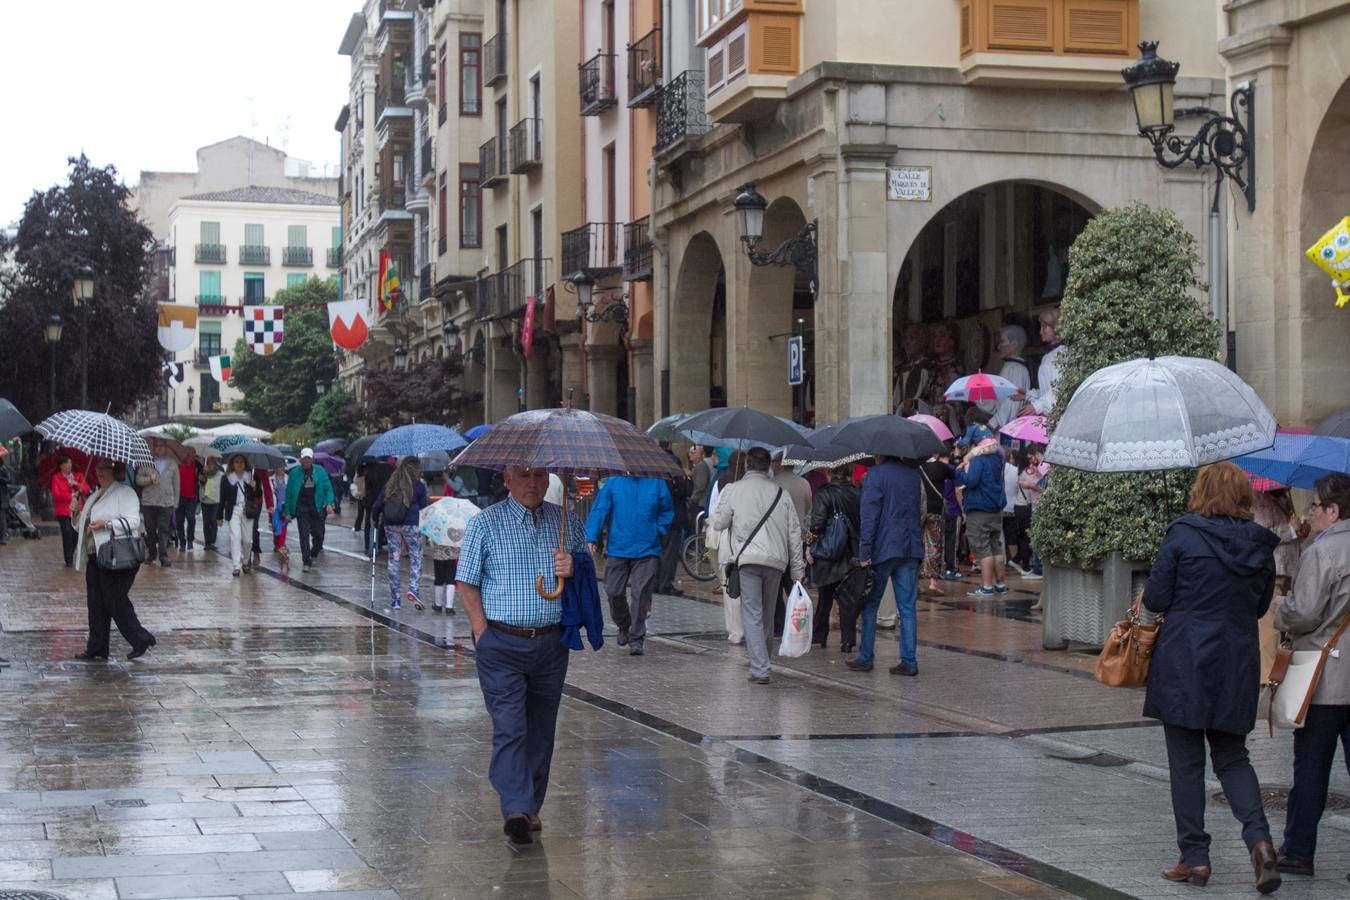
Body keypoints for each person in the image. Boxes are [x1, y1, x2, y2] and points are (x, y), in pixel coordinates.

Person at [1142, 461, 1280, 893]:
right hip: (1236, 662)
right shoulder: (1261, 547)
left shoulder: (1183, 534)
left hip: (1184, 659)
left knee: (1186, 765)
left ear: (1200, 493)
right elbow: (1259, 607)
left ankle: (1196, 858)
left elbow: (1157, 597)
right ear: (1242, 497)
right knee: (1233, 757)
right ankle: (1259, 840)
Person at [455, 465, 583, 845]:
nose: (532, 484)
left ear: (549, 480)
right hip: (502, 644)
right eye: (523, 476)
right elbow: (466, 580)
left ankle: (530, 806)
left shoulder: (566, 523)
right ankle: (516, 808)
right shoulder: (486, 524)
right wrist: (481, 632)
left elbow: (584, 582)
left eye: (539, 475)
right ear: (507, 480)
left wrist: (574, 566)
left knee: (542, 731)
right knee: (511, 726)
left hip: (550, 644)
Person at [1273, 473, 1350, 881]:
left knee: (1311, 770)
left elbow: (1304, 613)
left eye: (1316, 506)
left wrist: (1281, 607)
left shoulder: (1324, 553)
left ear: (1334, 512)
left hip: (1323, 678)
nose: (1311, 513)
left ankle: (1299, 850)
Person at [710, 447, 805, 684]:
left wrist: (726, 499)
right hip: (776, 561)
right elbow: (794, 532)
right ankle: (762, 662)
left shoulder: (733, 489)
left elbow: (719, 523)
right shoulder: (780, 493)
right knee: (767, 613)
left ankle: (761, 668)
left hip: (748, 560)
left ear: (746, 465)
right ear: (769, 467)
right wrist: (797, 570)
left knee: (752, 613)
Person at [73, 459, 156, 661]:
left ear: (115, 470)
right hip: (95, 557)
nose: (100, 472)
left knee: (115, 602)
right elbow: (81, 527)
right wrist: (75, 510)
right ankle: (97, 648)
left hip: (117, 557)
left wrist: (108, 524)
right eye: (98, 468)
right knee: (95, 604)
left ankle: (141, 639)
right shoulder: (95, 494)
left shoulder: (125, 492)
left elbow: (134, 521)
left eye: (105, 469)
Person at [849, 455, 925, 675]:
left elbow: (869, 516)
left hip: (883, 549)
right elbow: (919, 511)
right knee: (907, 608)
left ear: (880, 454)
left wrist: (864, 552)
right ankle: (909, 661)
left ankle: (865, 657)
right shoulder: (913, 476)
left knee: (871, 604)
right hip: (909, 547)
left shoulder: (874, 475)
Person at [585, 474, 673, 657]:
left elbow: (667, 511)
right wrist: (591, 535)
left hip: (647, 549)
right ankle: (624, 624)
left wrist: (658, 529)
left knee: (641, 594)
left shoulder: (657, 483)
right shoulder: (613, 483)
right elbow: (600, 509)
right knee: (613, 591)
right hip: (619, 547)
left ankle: (637, 638)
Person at [805, 464, 862, 651]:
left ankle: (819, 637)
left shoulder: (824, 494)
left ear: (831, 473)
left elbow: (816, 525)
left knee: (824, 599)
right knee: (848, 601)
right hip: (852, 553)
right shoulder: (859, 494)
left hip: (828, 555)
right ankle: (847, 641)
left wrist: (808, 545)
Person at [373, 456, 429, 609]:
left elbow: (377, 505)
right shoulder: (418, 486)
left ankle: (395, 599)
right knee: (416, 557)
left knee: (394, 559)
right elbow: (425, 509)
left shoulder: (390, 485)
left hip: (391, 525)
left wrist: (374, 520)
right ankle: (413, 589)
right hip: (412, 525)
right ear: (416, 469)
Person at [956, 437, 1008, 596]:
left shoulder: (979, 461)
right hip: (995, 509)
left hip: (979, 509)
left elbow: (971, 481)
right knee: (995, 545)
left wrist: (959, 471)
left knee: (983, 547)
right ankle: (1000, 584)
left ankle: (986, 586)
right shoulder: (997, 460)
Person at [283, 449, 335, 574]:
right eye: (304, 458)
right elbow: (289, 493)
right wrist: (287, 511)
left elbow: (328, 488)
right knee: (304, 535)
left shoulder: (320, 471)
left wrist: (329, 502)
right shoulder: (294, 473)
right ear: (300, 459)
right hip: (302, 507)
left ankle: (314, 553)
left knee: (319, 535)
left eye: (308, 458)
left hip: (316, 507)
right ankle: (306, 561)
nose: (306, 461)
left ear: (312, 459)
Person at [135, 439, 178, 567]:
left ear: (166, 448)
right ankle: (152, 553)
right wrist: (149, 479)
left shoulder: (172, 463)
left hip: (166, 503)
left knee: (164, 529)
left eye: (162, 446)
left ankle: (163, 555)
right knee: (150, 530)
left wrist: (175, 504)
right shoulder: (146, 461)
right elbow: (138, 480)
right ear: (153, 448)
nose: (159, 448)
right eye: (156, 446)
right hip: (149, 502)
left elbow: (176, 485)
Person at [655, 444, 691, 596]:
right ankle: (665, 584)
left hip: (658, 516)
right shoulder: (674, 465)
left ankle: (656, 583)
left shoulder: (655, 463)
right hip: (674, 517)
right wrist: (688, 477)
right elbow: (685, 491)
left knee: (659, 552)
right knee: (670, 554)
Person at [219, 454, 263, 577]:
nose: (239, 464)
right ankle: (236, 566)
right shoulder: (227, 478)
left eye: (242, 462)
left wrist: (254, 488)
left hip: (247, 510)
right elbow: (222, 498)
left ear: (245, 464)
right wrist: (219, 516)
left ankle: (245, 561)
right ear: (232, 464)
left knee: (247, 540)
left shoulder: (251, 476)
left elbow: (259, 494)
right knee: (235, 537)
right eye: (236, 462)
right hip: (233, 510)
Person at [982, 324, 1031, 429]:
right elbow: (999, 403)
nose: (999, 346)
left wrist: (991, 425)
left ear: (1014, 345)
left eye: (1002, 341)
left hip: (1009, 433)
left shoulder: (1016, 369)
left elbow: (1011, 403)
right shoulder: (1009, 367)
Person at [1020, 309, 1066, 418]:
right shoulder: (1048, 356)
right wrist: (1027, 394)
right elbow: (1048, 389)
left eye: (1044, 327)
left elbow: (1059, 390)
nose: (1040, 332)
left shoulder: (1063, 354)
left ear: (1056, 327)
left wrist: (1037, 406)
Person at [918, 451, 951, 596]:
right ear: (936, 453)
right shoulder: (941, 467)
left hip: (919, 511)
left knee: (917, 545)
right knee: (935, 546)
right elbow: (956, 474)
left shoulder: (917, 467)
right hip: (936, 511)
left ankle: (915, 584)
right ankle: (933, 584)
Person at [49, 455, 89, 568]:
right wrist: (70, 495)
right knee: (67, 533)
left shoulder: (78, 476)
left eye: (70, 464)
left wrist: (76, 484)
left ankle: (70, 554)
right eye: (67, 464)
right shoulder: (56, 478)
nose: (69, 466)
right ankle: (69, 559)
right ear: (61, 466)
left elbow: (86, 488)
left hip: (77, 510)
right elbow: (56, 495)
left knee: (75, 534)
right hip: (63, 511)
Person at [1002, 449, 1026, 576]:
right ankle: (1014, 560)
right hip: (1013, 507)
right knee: (1012, 535)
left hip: (999, 507)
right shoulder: (1016, 471)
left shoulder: (998, 469)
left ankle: (1002, 561)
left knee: (1000, 536)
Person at [173, 448, 201, 552]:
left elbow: (203, 478)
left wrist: (203, 476)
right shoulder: (178, 463)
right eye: (189, 454)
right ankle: (182, 542)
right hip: (179, 497)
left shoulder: (197, 466)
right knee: (180, 521)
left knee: (191, 518)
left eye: (193, 454)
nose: (191, 456)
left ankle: (190, 540)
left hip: (191, 497)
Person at [199, 456, 221, 551]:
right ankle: (207, 542)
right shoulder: (203, 469)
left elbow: (221, 485)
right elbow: (201, 483)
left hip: (215, 500)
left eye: (213, 458)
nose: (211, 460)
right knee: (206, 522)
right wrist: (203, 476)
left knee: (213, 520)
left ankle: (212, 541)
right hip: (205, 499)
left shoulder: (219, 471)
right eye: (210, 459)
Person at [352, 462, 368, 534]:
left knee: (360, 513)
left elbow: (354, 481)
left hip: (360, 495)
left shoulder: (358, 474)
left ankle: (357, 527)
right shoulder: (369, 473)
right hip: (368, 496)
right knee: (368, 513)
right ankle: (368, 528)